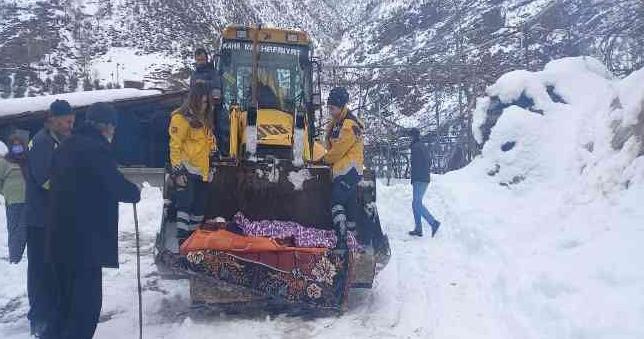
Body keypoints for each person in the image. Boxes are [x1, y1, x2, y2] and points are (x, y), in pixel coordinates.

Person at [46, 102, 141, 339]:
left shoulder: (65, 146)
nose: (113, 133)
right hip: (84, 243)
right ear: (106, 127)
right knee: (85, 310)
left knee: (63, 308)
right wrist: (134, 192)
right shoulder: (96, 149)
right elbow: (115, 185)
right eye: (113, 128)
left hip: (58, 239)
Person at [24, 99, 75, 337]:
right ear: (52, 119)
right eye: (66, 121)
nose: (69, 126)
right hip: (39, 219)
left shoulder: (59, 140)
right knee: (40, 270)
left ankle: (53, 314)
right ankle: (39, 318)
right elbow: (44, 180)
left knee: (53, 269)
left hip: (53, 218)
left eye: (72, 121)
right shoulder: (42, 142)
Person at [169, 83, 217, 244]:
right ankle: (182, 241)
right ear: (194, 101)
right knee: (185, 206)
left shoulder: (205, 122)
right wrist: (178, 171)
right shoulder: (180, 118)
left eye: (207, 103)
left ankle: (193, 241)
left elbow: (209, 143)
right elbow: (175, 145)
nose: (205, 107)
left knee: (199, 208)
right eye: (203, 103)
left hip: (202, 172)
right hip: (187, 171)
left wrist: (213, 158)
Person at [322, 87, 364, 250]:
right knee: (350, 205)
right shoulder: (338, 122)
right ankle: (352, 239)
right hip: (348, 172)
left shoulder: (348, 126)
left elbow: (338, 150)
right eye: (329, 108)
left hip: (347, 171)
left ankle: (341, 240)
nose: (330, 111)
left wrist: (324, 159)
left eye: (332, 108)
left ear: (340, 106)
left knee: (336, 202)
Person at [0, 129, 29, 263]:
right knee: (13, 228)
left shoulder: (27, 160)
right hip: (12, 200)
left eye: (19, 144)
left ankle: (16, 256)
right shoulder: (5, 161)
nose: (17, 147)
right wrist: (5, 191)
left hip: (28, 199)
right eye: (14, 145)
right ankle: (14, 257)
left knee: (23, 229)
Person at [408, 128, 441, 237]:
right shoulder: (422, 146)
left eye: (410, 136)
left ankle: (433, 223)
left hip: (419, 179)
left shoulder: (416, 147)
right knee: (415, 204)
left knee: (417, 204)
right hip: (424, 178)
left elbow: (416, 165)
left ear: (413, 137)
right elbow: (429, 162)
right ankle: (418, 229)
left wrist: (416, 177)